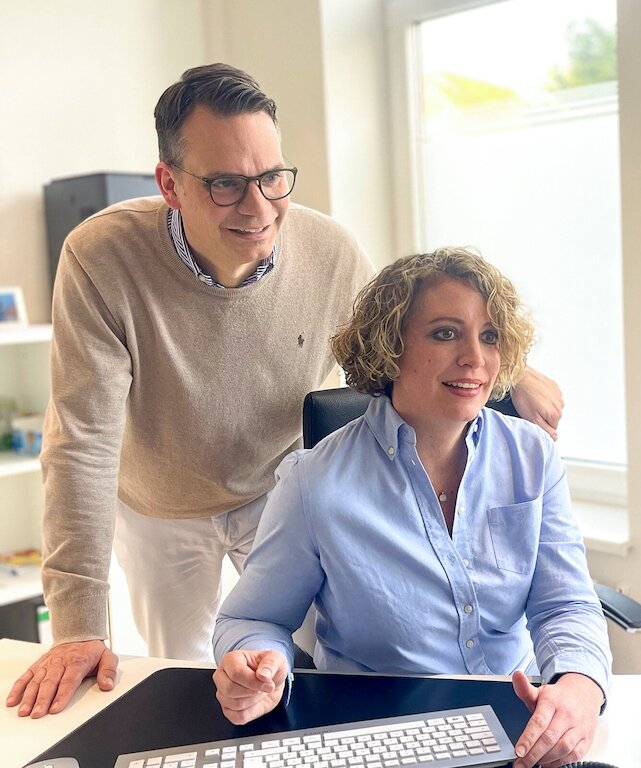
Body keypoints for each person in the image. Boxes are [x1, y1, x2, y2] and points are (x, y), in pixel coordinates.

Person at [7, 64, 563, 720]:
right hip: (161, 504)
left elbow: (404, 328)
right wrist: (77, 626)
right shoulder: (101, 257)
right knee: (187, 684)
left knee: (299, 672)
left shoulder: (328, 250)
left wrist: (511, 369)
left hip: (280, 487)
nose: (258, 207)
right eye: (225, 184)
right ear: (170, 185)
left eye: (272, 177)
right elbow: (82, 442)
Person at [212, 248, 610, 768]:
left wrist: (580, 684)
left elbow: (567, 604)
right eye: (446, 333)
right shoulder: (315, 481)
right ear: (390, 345)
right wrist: (257, 665)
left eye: (490, 336)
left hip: (520, 726)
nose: (475, 358)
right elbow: (252, 618)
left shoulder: (533, 457)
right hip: (380, 734)